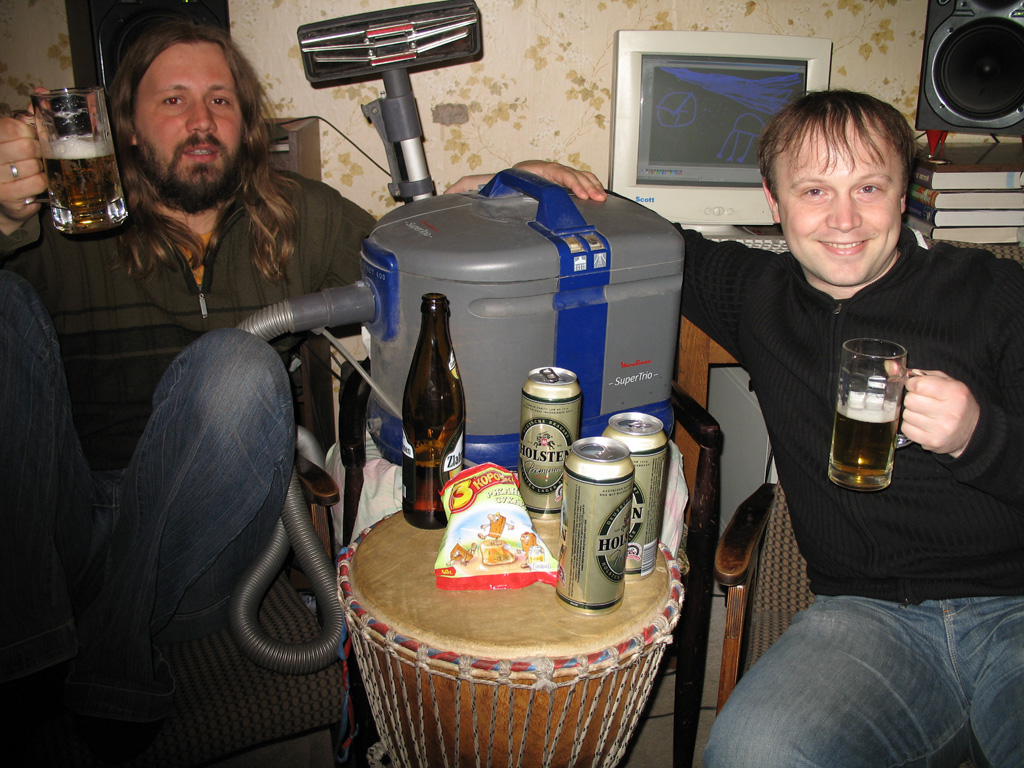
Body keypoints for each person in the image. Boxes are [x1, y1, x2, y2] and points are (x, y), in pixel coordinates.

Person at [0, 17, 601, 762]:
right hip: (66, 520)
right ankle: (37, 650)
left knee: (241, 362)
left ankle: (98, 658)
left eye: (221, 100)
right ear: (125, 127)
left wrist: (492, 196)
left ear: (247, 120)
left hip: (200, 550)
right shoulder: (55, 226)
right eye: (173, 100)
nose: (201, 120)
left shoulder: (297, 214)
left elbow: (415, 273)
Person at [675, 90, 1024, 767]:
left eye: (869, 187)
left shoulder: (995, 294)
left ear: (904, 195)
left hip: (1014, 606)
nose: (844, 219)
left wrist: (977, 436)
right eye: (814, 190)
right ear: (774, 203)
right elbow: (647, 236)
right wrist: (531, 181)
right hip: (868, 622)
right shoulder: (756, 294)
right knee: (749, 755)